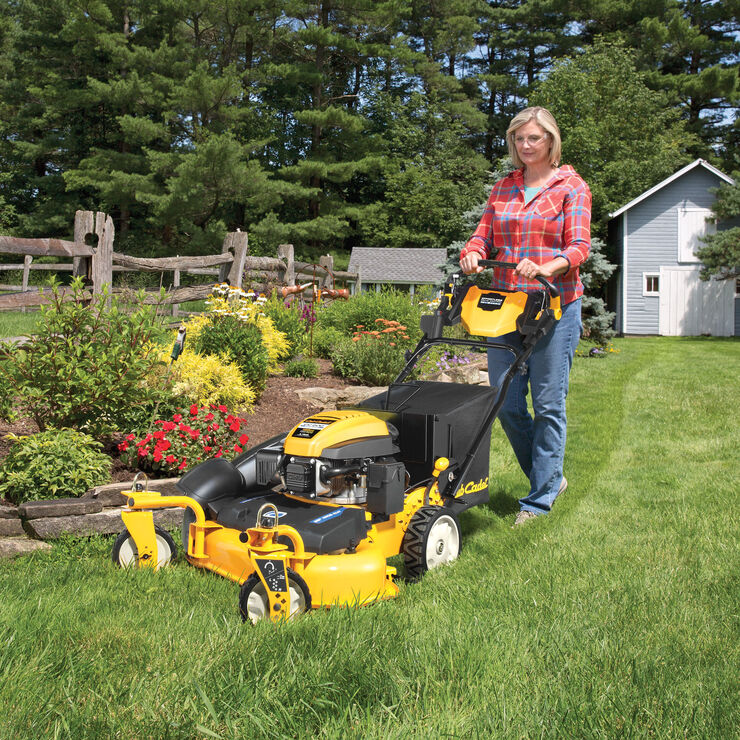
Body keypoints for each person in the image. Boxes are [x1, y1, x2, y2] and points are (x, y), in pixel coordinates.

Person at [459, 106, 591, 525]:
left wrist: (547, 266)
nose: (525, 145)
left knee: (549, 403)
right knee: (505, 400)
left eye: (534, 138)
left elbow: (578, 247)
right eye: (519, 138)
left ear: (551, 140)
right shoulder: (504, 188)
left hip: (555, 305)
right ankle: (549, 477)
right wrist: (474, 252)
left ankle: (538, 500)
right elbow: (483, 234)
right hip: (508, 308)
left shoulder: (572, 186)